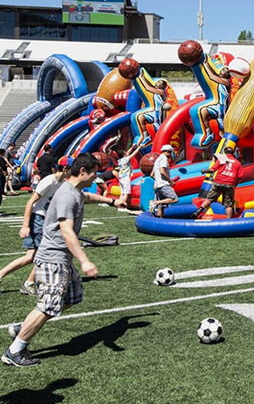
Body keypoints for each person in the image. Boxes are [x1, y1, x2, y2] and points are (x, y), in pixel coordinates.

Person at [2, 153, 125, 367]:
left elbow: (87, 198)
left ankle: (23, 327)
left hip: (61, 260)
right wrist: (85, 260)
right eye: (94, 172)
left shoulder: (73, 190)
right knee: (48, 305)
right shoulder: (67, 195)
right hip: (54, 258)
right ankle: (15, 351)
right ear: (83, 172)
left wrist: (112, 201)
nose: (96, 177)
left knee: (71, 298)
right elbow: (67, 231)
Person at [0, 156, 74, 296]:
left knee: (32, 256)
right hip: (37, 219)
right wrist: (25, 225)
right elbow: (30, 202)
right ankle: (28, 283)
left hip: (45, 220)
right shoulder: (49, 181)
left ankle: (12, 278)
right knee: (41, 255)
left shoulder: (62, 183)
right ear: (65, 169)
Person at [191, 147, 243, 219]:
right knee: (228, 204)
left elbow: (212, 170)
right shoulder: (237, 163)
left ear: (225, 153)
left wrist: (204, 171)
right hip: (229, 183)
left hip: (218, 182)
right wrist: (235, 184)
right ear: (233, 153)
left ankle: (198, 212)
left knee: (209, 199)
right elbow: (240, 176)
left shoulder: (222, 160)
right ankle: (228, 221)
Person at [150, 144, 178, 218]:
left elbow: (152, 175)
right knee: (174, 199)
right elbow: (162, 171)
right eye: (170, 152)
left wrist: (157, 180)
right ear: (168, 152)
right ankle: (155, 203)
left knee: (162, 206)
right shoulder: (164, 159)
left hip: (158, 184)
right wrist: (170, 181)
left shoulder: (157, 160)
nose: (170, 154)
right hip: (163, 184)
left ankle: (159, 220)